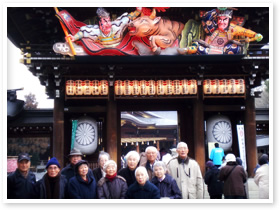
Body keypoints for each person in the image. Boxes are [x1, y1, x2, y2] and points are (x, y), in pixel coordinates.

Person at [68, 7, 142, 48]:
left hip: (120, 50)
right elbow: (83, 32)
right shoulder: (96, 31)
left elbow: (128, 18)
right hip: (103, 52)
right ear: (99, 23)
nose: (108, 24)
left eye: (109, 21)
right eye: (105, 21)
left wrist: (138, 11)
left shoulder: (117, 26)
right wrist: (74, 38)